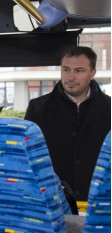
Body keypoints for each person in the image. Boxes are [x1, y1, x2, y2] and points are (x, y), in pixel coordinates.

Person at [24, 46, 111, 201]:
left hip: (100, 202)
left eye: (78, 71)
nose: (70, 77)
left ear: (92, 73)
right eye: (66, 69)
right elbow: (27, 158)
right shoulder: (37, 109)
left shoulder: (109, 109)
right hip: (54, 201)